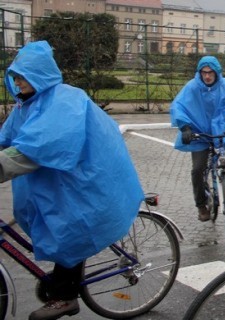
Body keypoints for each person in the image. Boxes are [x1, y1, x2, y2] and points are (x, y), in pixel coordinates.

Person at [0, 40, 143, 320]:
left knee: (71, 227)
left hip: (86, 179)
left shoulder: (64, 100)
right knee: (52, 223)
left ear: (39, 74)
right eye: (14, 75)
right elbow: (7, 138)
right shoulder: (26, 105)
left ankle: (66, 297)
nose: (17, 81)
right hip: (60, 180)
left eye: (23, 75)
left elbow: (32, 150)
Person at [170, 56, 225, 222]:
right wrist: (185, 127)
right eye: (204, 72)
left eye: (210, 73)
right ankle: (201, 205)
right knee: (198, 169)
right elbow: (178, 106)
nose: (207, 76)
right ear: (199, 73)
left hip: (222, 128)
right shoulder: (192, 87)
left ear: (217, 73)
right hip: (199, 134)